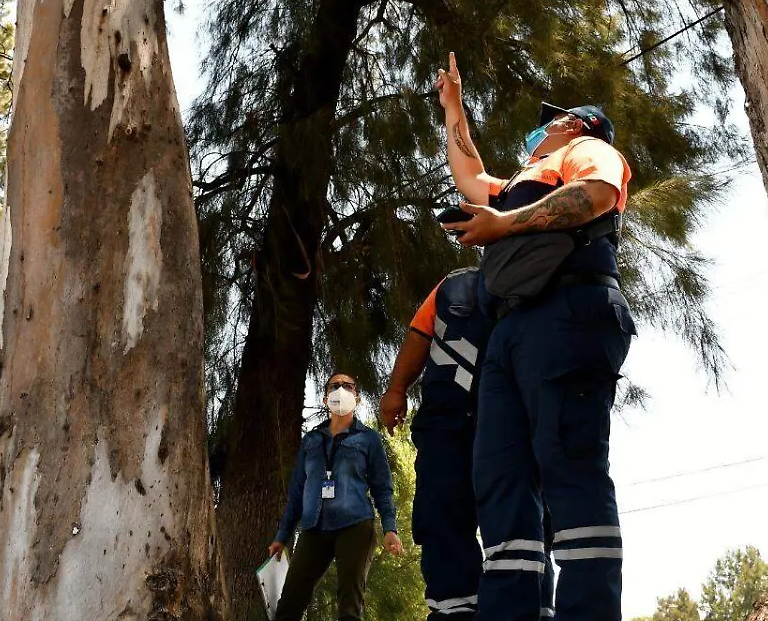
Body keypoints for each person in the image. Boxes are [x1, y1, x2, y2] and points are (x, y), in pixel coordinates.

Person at [433, 52, 638, 621]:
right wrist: (455, 112)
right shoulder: (524, 179)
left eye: (551, 118)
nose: (540, 128)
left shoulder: (585, 150)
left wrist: (505, 226)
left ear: (575, 123)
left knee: (569, 467)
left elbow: (594, 195)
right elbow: (472, 177)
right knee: (500, 477)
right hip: (511, 331)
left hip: (571, 312)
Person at [380, 269, 556, 621]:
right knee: (440, 520)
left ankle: (530, 611)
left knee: (520, 522)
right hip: (445, 426)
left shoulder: (543, 270)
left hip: (512, 426)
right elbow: (419, 333)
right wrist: (397, 387)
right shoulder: (453, 284)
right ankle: (453, 611)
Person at [269, 373, 405, 621]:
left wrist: (390, 528)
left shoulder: (369, 439)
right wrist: (282, 536)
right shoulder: (311, 440)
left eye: (348, 386)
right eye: (335, 386)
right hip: (314, 526)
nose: (341, 390)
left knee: (349, 603)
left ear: (358, 397)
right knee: (290, 600)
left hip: (354, 524)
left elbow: (382, 487)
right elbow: (297, 490)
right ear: (325, 399)